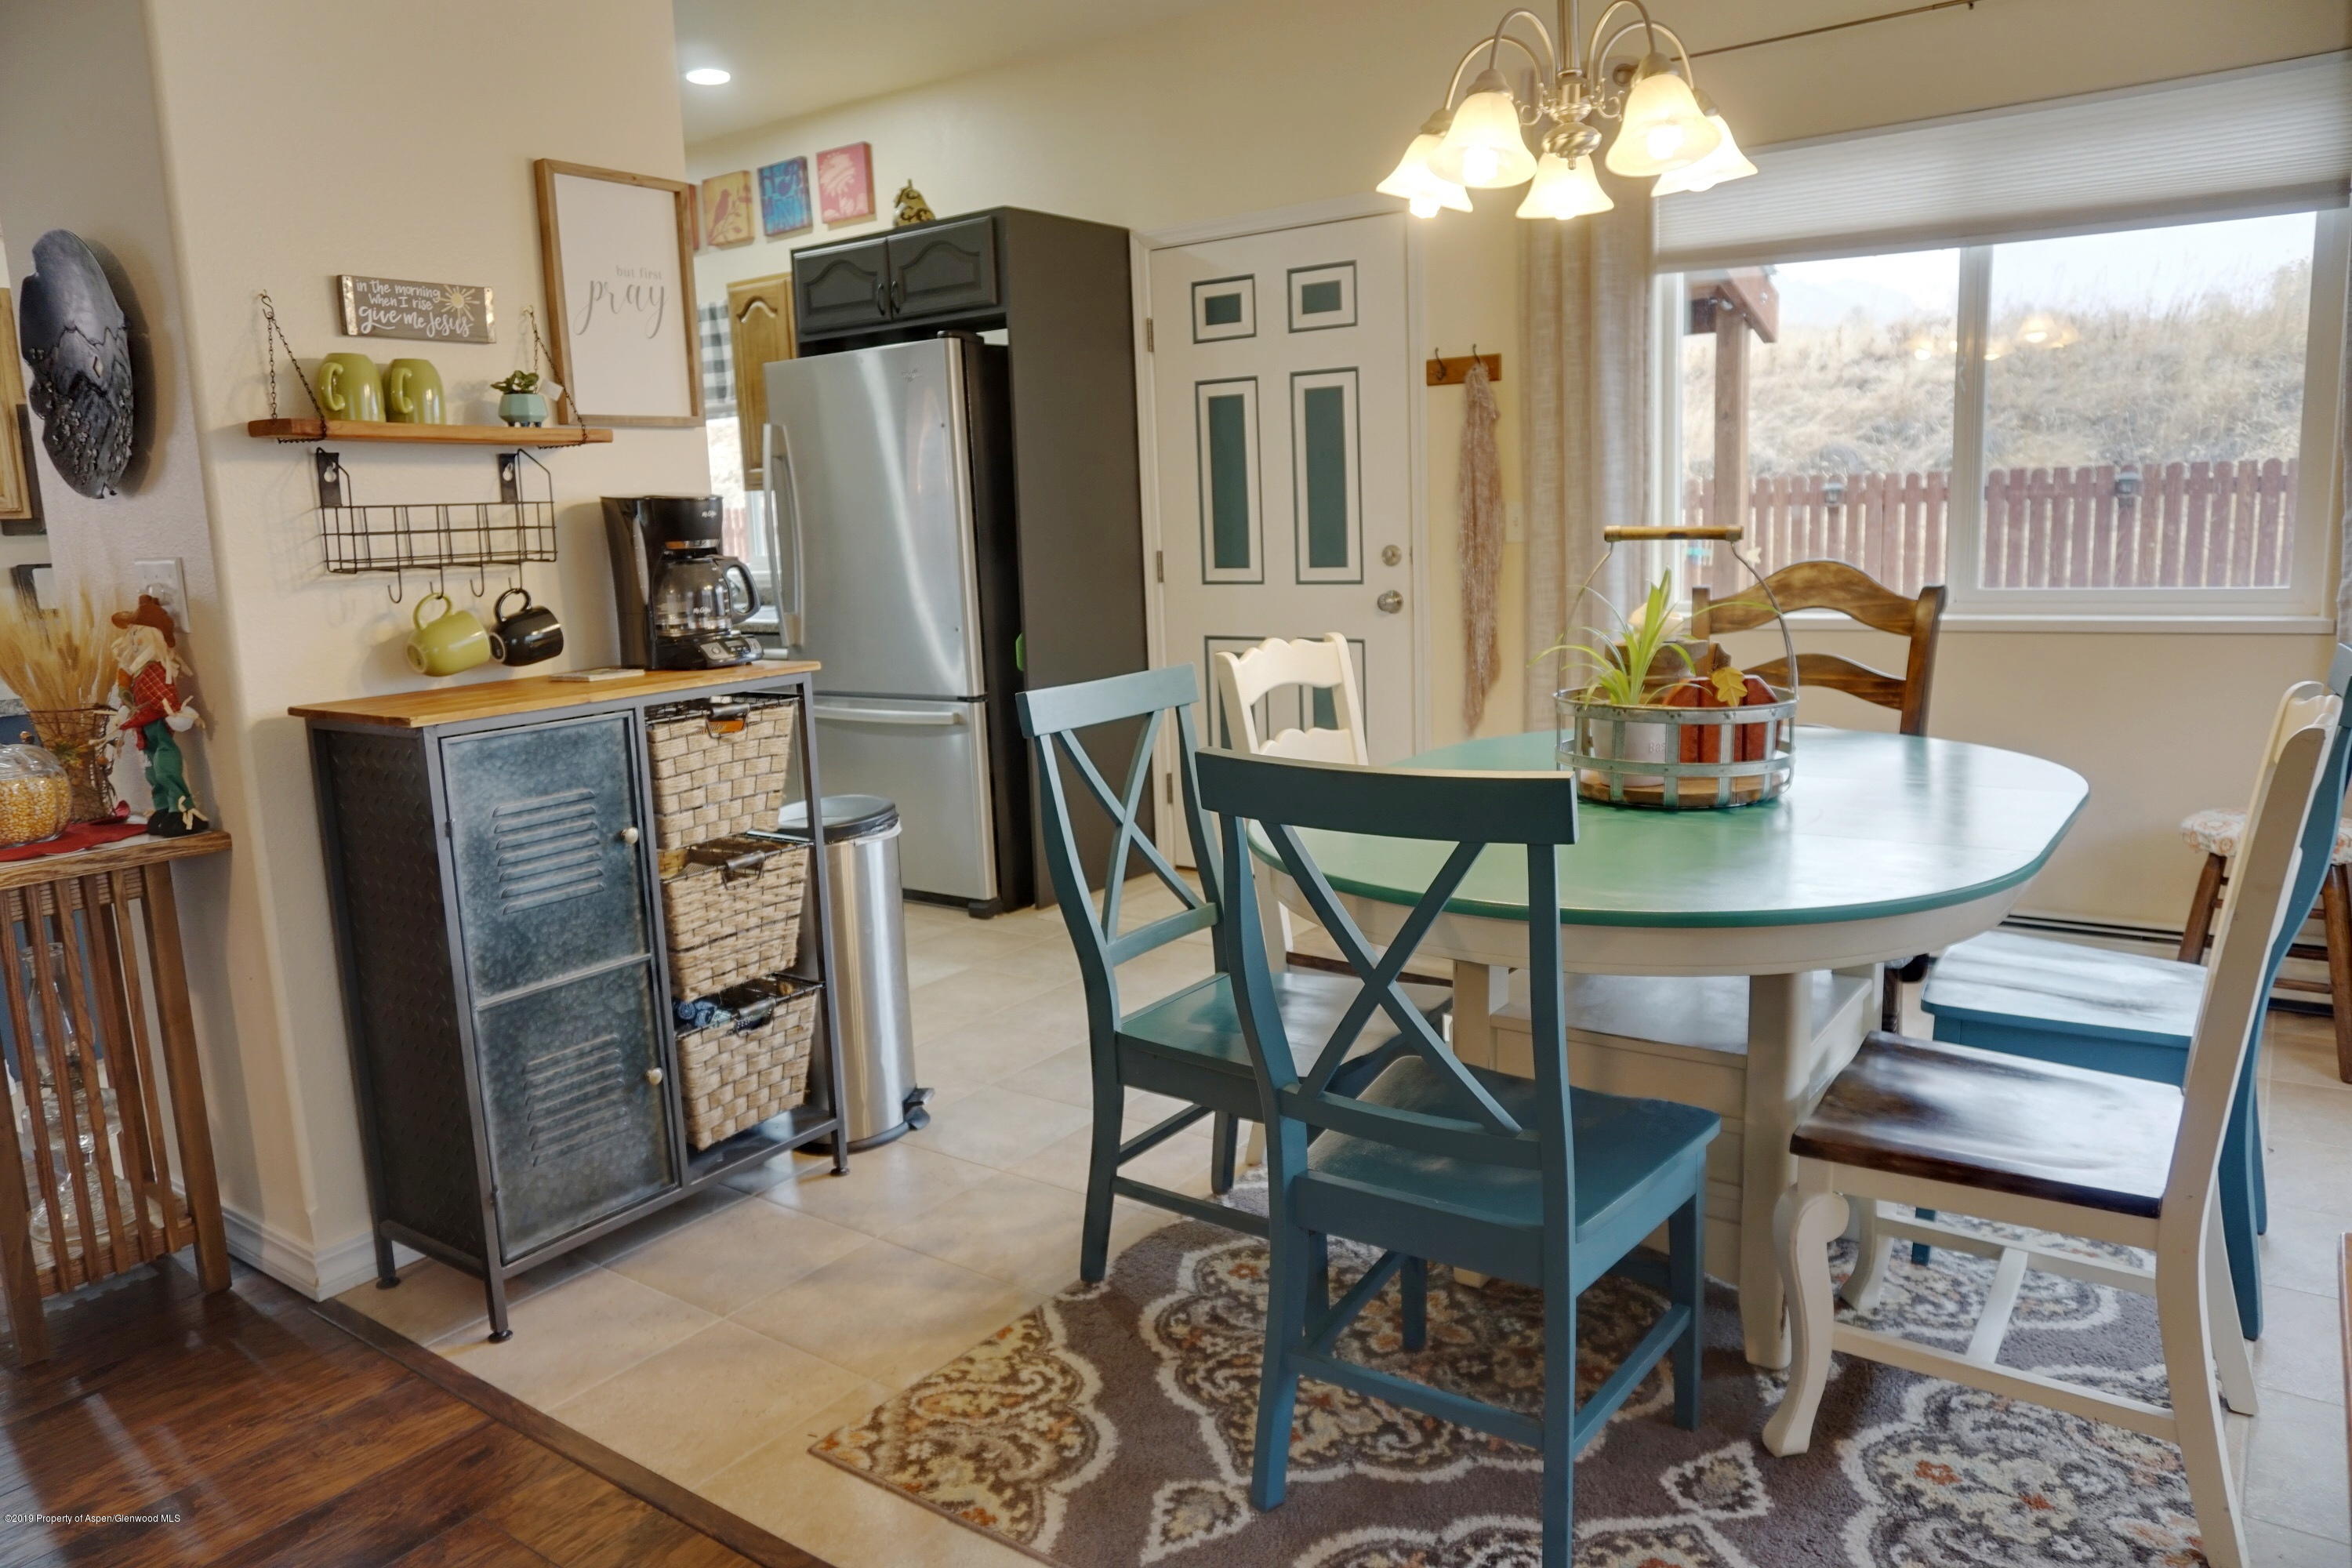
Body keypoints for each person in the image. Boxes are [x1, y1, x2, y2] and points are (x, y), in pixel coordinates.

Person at [108, 594, 208, 837]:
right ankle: (163, 807)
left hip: (157, 724)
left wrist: (174, 712)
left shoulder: (157, 669)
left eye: (138, 634)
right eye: (132, 634)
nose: (133, 640)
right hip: (143, 726)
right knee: (152, 770)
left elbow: (165, 694)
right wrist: (126, 706)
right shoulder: (136, 672)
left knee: (165, 767)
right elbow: (132, 694)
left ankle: (182, 809)